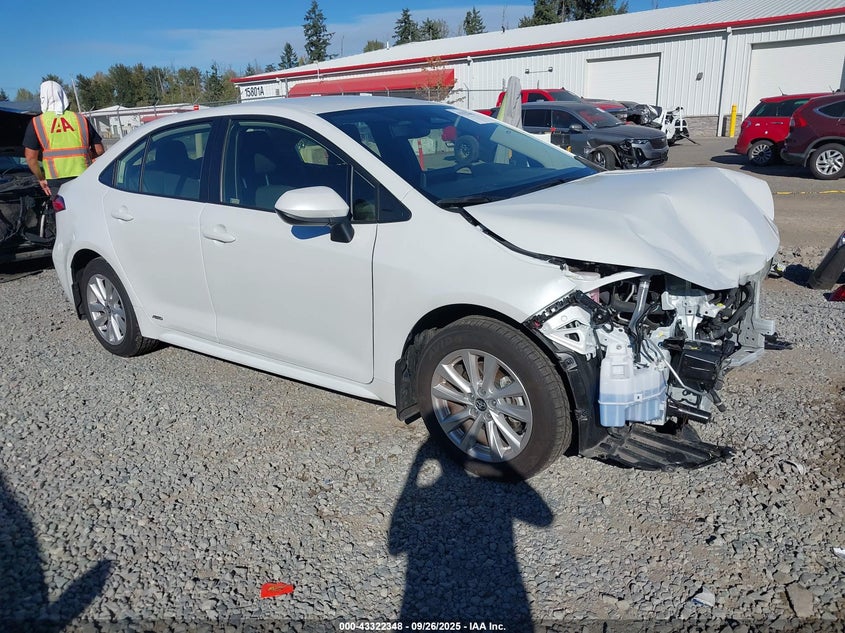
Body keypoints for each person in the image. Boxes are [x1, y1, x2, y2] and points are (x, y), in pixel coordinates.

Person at [23, 80, 104, 198]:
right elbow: (99, 149)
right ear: (62, 95)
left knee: (64, 214)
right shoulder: (80, 119)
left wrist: (41, 178)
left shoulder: (37, 123)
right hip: (83, 175)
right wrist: (84, 156)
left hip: (56, 180)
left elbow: (30, 158)